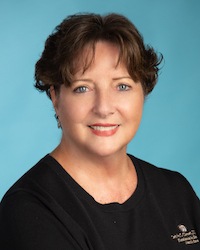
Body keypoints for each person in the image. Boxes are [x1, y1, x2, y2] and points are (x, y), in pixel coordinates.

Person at [0, 13, 199, 250]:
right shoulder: (29, 210)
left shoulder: (175, 191)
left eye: (122, 86)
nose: (104, 108)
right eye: (83, 88)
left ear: (143, 92)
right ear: (55, 96)